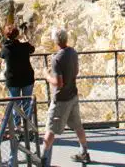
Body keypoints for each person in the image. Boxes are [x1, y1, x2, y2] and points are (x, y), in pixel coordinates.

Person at [40, 27, 90, 166]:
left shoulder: (57, 59)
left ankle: (42, 160)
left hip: (61, 100)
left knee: (50, 129)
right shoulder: (73, 52)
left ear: (55, 41)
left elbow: (58, 83)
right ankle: (84, 152)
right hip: (73, 95)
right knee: (78, 126)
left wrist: (46, 75)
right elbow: (76, 71)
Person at [0, 25, 35, 128]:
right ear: (17, 35)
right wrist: (24, 39)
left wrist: (6, 42)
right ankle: (28, 126)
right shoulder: (25, 46)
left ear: (6, 36)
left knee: (16, 105)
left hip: (13, 80)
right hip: (27, 78)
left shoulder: (6, 49)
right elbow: (32, 49)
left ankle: (18, 127)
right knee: (27, 103)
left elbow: (1, 55)